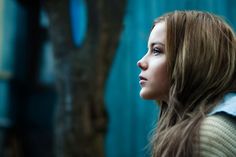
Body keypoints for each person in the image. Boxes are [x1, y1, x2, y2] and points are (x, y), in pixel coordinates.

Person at [137, 10, 236, 157]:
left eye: (156, 50)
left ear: (193, 60)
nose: (141, 62)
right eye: (148, 50)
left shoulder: (203, 137)